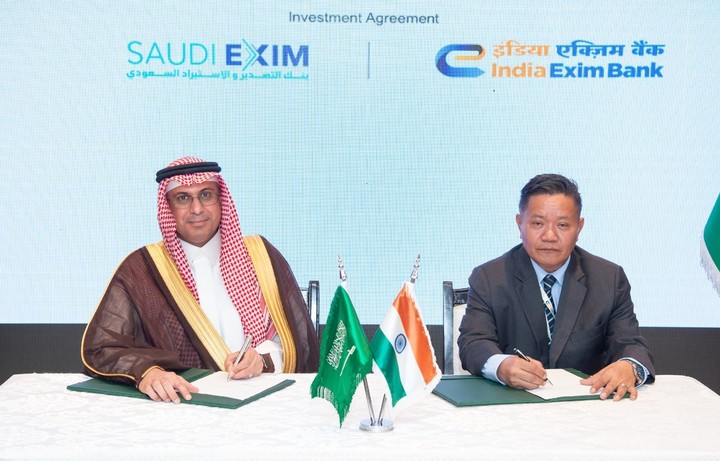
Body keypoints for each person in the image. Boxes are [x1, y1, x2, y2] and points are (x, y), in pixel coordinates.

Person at [82, 156, 319, 403]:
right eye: (183, 198)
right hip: (179, 406)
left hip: (262, 404)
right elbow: (102, 347)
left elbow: (298, 340)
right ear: (168, 207)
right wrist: (147, 372)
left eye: (206, 195)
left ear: (221, 200)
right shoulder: (141, 269)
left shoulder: (260, 255)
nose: (197, 209)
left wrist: (263, 359)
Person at [458, 173, 655, 401]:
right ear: (520, 224)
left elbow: (630, 343)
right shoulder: (489, 278)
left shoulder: (608, 278)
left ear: (579, 227)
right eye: (538, 223)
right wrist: (501, 366)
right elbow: (473, 342)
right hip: (512, 405)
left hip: (587, 405)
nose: (550, 236)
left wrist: (629, 366)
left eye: (562, 225)